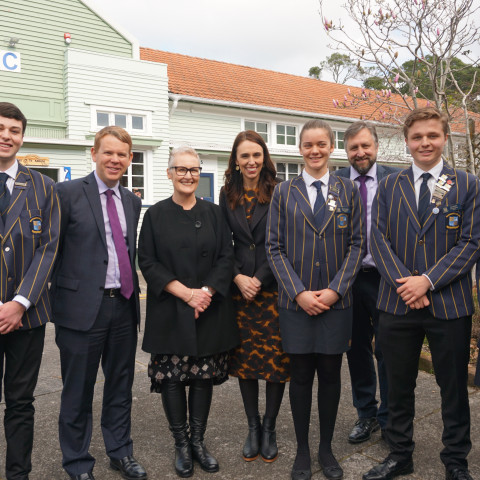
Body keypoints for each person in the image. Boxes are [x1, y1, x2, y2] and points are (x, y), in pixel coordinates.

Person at [364, 107, 480, 480]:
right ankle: (400, 454)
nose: (424, 142)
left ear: (445, 137)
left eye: (432, 135)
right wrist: (406, 283)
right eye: (417, 137)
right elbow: (377, 240)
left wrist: (427, 281)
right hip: (396, 303)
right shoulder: (389, 184)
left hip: (449, 304)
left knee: (452, 388)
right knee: (397, 385)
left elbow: (471, 242)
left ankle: (456, 460)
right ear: (407, 141)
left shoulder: (467, 184)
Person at [266, 119, 364, 480]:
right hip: (297, 305)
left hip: (337, 303)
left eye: (321, 144)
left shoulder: (346, 189)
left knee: (331, 375)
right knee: (302, 376)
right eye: (308, 145)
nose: (315, 151)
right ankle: (303, 451)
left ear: (332, 146)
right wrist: (299, 292)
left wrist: (337, 288)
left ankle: (326, 448)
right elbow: (273, 248)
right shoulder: (283, 192)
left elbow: (357, 244)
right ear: (300, 148)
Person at [50, 126, 146, 480]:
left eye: (122, 154)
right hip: (80, 311)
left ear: (130, 159)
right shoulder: (67, 193)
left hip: (123, 307)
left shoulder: (133, 202)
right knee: (77, 391)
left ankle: (120, 452)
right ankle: (77, 464)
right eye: (108, 152)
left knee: (120, 385)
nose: (115, 159)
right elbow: (51, 251)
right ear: (94, 154)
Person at [138, 146, 238, 478]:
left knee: (202, 378)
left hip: (209, 309)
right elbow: (147, 260)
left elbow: (227, 255)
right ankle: (180, 444)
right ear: (169, 173)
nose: (188, 175)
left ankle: (198, 442)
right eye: (181, 169)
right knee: (172, 379)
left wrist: (206, 293)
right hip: (170, 307)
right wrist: (186, 294)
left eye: (193, 170)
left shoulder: (214, 212)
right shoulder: (155, 215)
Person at [220, 131, 290, 464]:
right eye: (244, 156)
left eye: (257, 155)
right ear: (235, 159)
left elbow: (282, 241)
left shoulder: (279, 193)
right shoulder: (226, 194)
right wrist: (237, 277)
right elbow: (224, 244)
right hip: (239, 292)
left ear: (265, 158)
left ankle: (270, 427)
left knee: (275, 361)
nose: (251, 162)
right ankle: (252, 427)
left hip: (272, 288)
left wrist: (258, 279)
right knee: (246, 362)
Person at [0, 102, 60, 480]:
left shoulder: (43, 187)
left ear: (22, 137)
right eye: (1, 128)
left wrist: (19, 303)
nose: (6, 136)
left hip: (27, 315)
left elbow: (49, 246)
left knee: (20, 402)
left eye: (14, 130)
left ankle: (18, 474)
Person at [335, 122, 398, 443]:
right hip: (348, 280)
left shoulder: (395, 180)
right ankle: (366, 415)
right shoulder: (335, 183)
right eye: (353, 148)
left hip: (386, 280)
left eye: (365, 146)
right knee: (356, 349)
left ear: (376, 147)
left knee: (387, 349)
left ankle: (389, 418)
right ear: (346, 151)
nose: (360, 153)